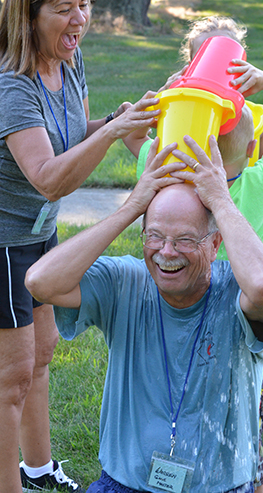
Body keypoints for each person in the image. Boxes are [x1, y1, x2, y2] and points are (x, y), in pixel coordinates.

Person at [123, 19, 263, 493]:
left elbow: (252, 159)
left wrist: (155, 114)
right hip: (217, 283)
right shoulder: (239, 173)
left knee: (255, 349)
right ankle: (247, 463)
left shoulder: (175, 163)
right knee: (248, 360)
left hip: (227, 279)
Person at [25, 133, 263, 493]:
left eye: (184, 240)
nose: (166, 252)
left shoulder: (235, 291)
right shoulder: (125, 281)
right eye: (155, 236)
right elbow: (40, 281)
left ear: (214, 245)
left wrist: (221, 202)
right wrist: (131, 207)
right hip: (123, 484)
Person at [0, 0, 162, 492]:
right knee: (12, 378)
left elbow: (68, 140)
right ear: (27, 15)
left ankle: (40, 471)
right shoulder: (13, 87)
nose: (80, 19)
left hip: (39, 230)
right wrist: (113, 132)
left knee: (43, 353)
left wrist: (118, 120)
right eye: (64, 7)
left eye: (85, 4)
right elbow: (49, 177)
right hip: (4, 242)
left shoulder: (69, 60)